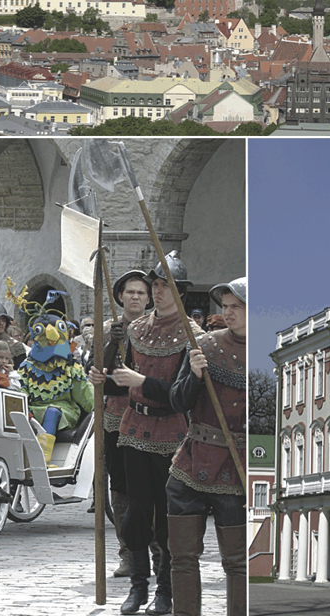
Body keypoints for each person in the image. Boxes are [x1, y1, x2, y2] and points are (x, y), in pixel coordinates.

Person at [89, 251, 203, 616]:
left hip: (171, 432)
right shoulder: (135, 329)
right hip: (133, 429)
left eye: (164, 286)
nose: (157, 292)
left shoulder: (193, 335)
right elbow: (118, 386)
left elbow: (180, 396)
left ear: (180, 292)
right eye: (155, 285)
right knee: (136, 512)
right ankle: (138, 587)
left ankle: (165, 591)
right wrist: (103, 379)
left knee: (168, 514)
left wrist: (141, 382)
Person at [136, 278, 247, 616]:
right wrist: (194, 375)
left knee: (237, 561)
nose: (228, 313)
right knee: (182, 556)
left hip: (235, 468)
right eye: (224, 306)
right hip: (191, 461)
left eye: (236, 307)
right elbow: (177, 399)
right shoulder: (204, 346)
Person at [98, 269, 152, 579]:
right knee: (120, 491)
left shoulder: (158, 330)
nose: (135, 297)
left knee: (151, 491)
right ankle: (128, 553)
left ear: (148, 299)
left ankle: (157, 553)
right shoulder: (108, 331)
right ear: (120, 296)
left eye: (141, 293)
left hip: (152, 421)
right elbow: (98, 374)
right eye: (130, 292)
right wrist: (111, 345)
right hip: (116, 420)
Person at [9, 281, 92, 467]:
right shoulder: (27, 367)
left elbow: (85, 396)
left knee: (52, 412)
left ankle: (42, 458)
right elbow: (20, 390)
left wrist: (99, 404)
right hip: (34, 411)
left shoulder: (71, 367)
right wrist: (23, 408)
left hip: (63, 411)